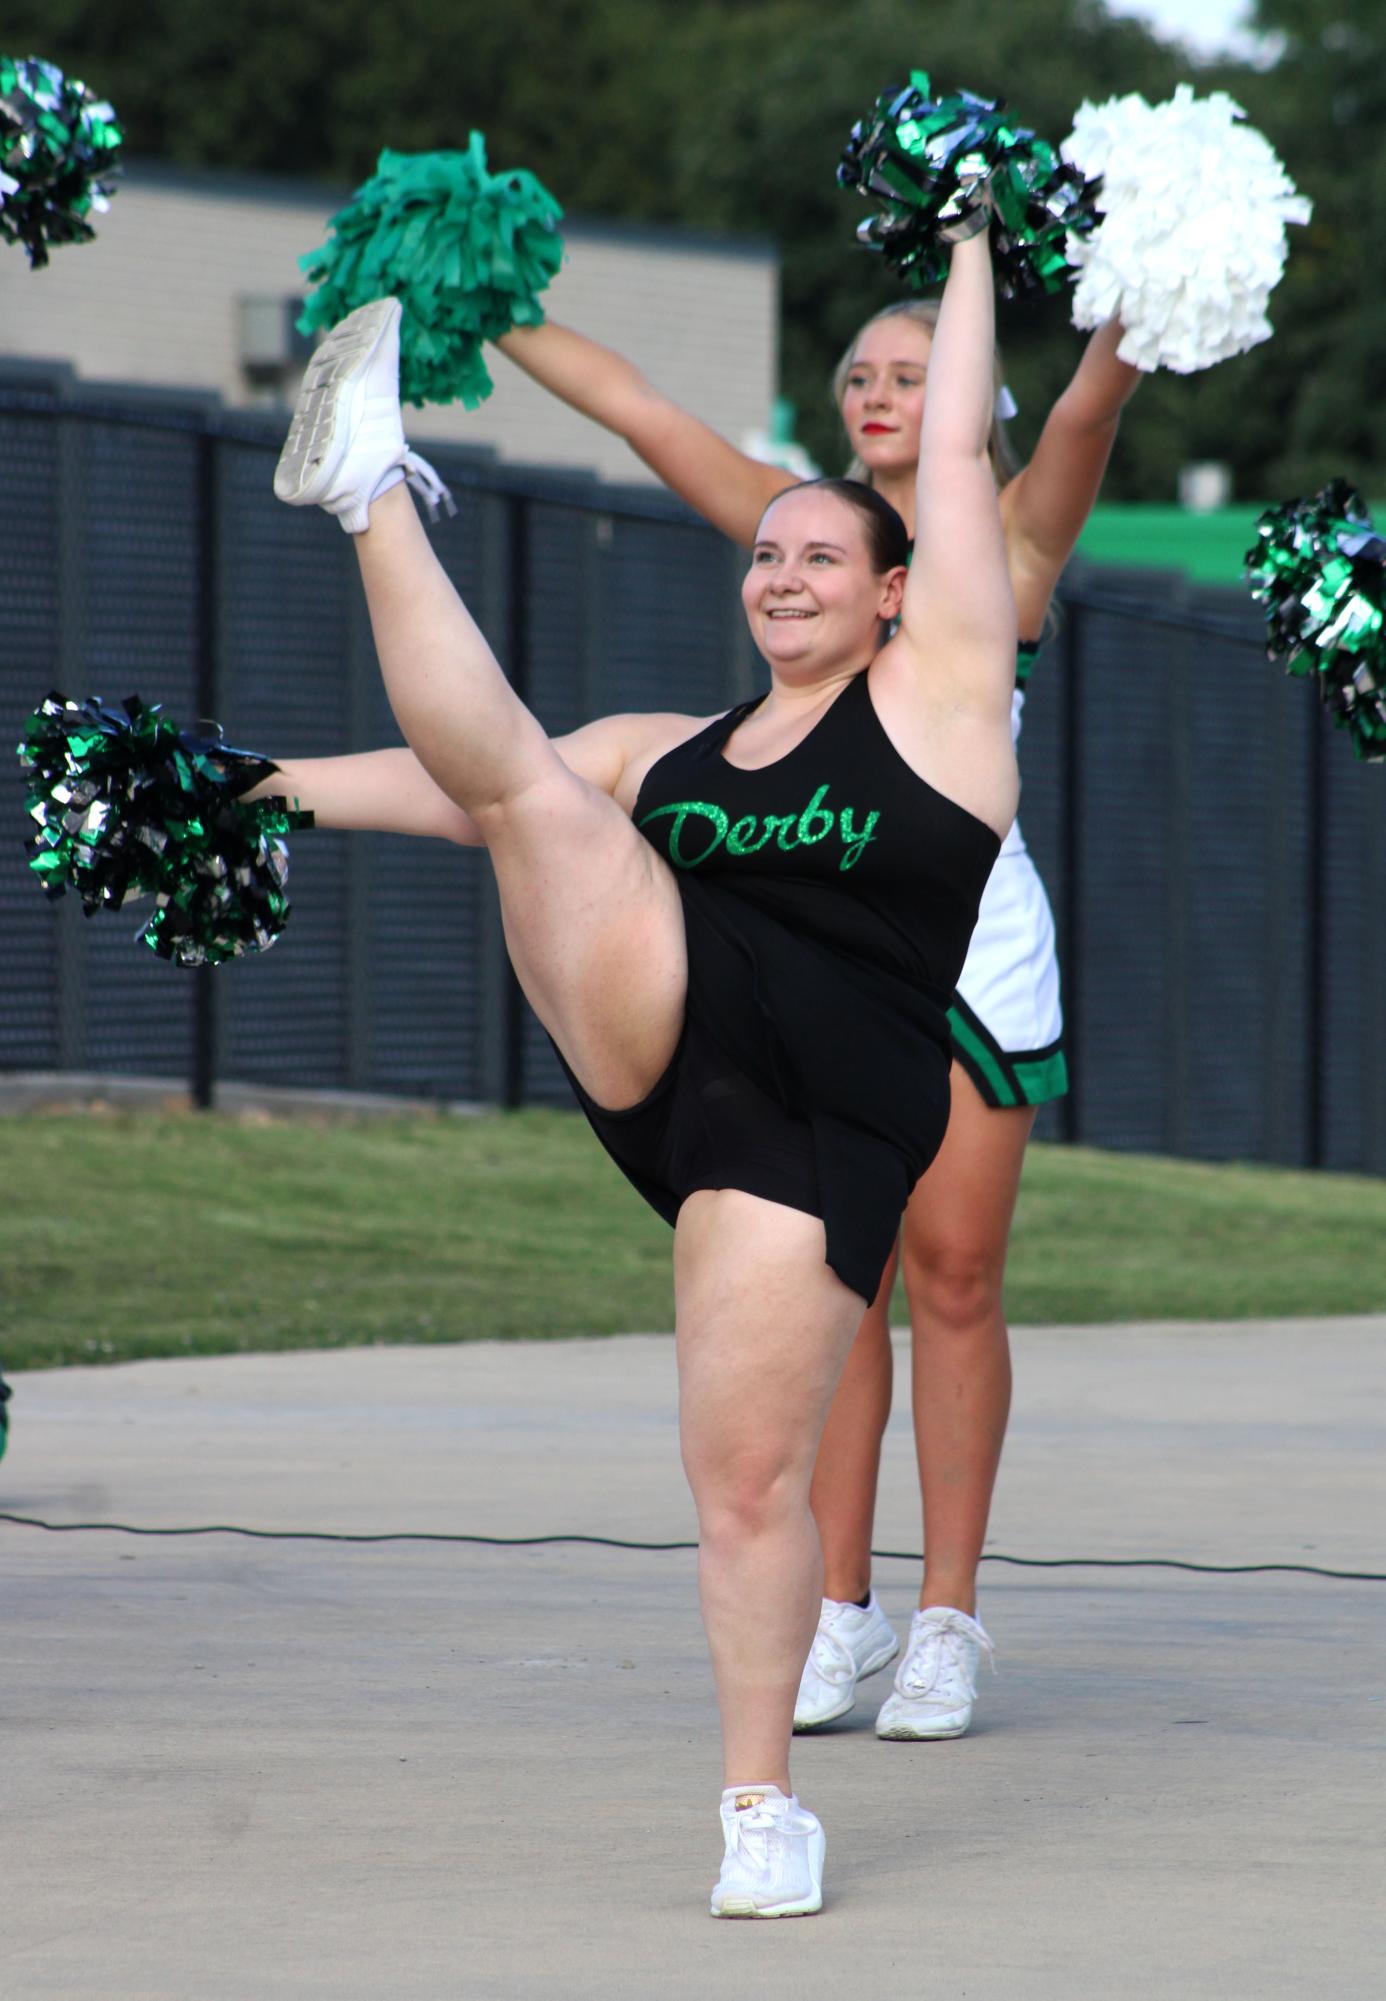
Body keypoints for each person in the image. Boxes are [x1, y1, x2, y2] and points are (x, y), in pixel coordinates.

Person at [263, 224, 1016, 1914]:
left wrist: (967, 239)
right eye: (765, 554)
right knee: (534, 792)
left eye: (822, 553)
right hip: (678, 1044)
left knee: (743, 1480)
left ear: (894, 589)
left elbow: (955, 452)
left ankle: (764, 1808)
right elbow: (445, 785)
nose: (784, 573)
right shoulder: (663, 751)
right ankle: (371, 484)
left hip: (828, 1103)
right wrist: (234, 791)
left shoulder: (946, 700)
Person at [492, 295, 1140, 1736]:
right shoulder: (810, 524)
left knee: (955, 1273)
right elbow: (645, 410)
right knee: (837, 1275)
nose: (876, 392)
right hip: (807, 923)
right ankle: (835, 1605)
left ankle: (947, 1614)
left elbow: (1089, 414)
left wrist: (1141, 309)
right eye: (857, 372)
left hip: (964, 931)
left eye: (910, 371)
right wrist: (488, 305)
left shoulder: (1009, 527)